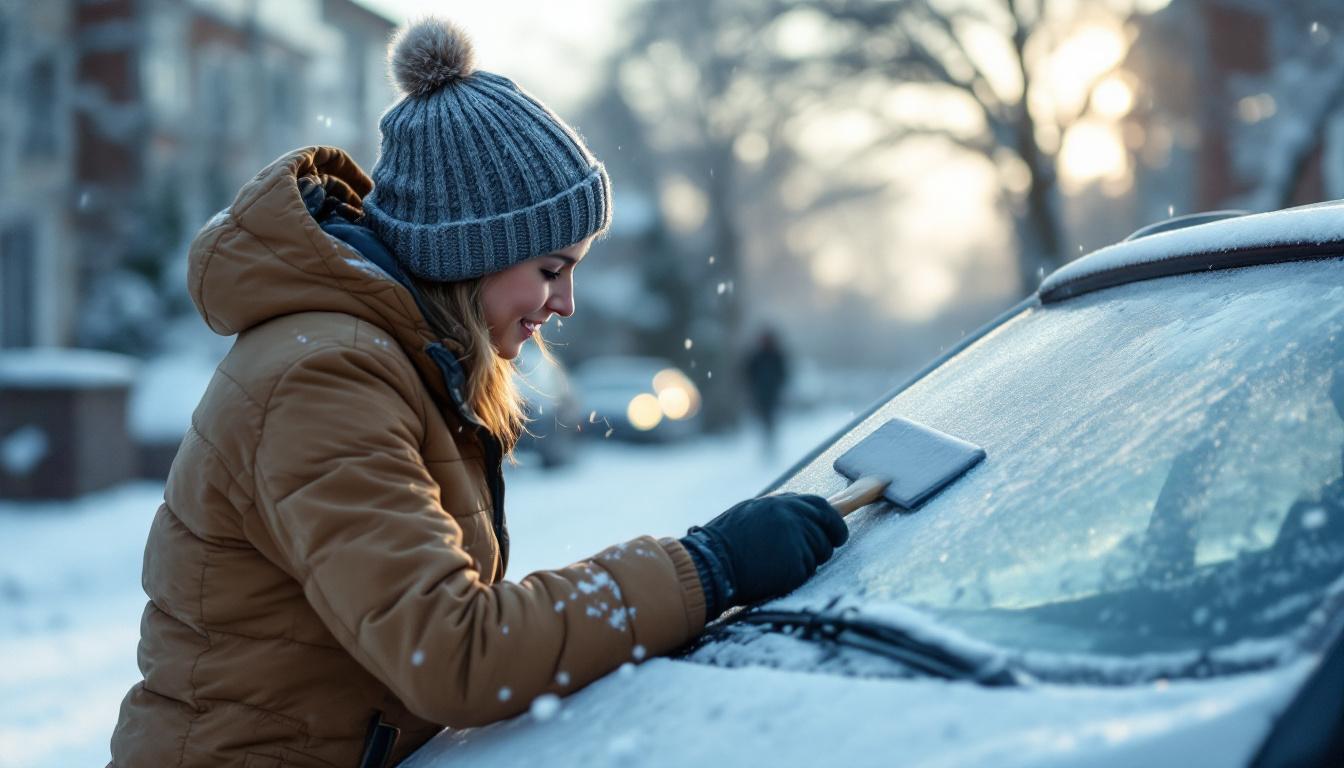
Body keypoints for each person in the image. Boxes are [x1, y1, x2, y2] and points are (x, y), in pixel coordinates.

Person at [109, 18, 848, 768]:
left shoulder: (392, 362)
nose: (566, 304)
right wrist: (705, 568)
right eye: (551, 269)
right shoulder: (326, 379)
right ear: (470, 253)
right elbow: (452, 652)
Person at [743, 327, 791, 459]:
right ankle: (767, 444)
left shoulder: (776, 356)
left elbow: (783, 373)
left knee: (771, 419)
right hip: (761, 395)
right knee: (765, 420)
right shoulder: (757, 357)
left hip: (772, 394)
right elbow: (748, 373)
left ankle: (770, 444)